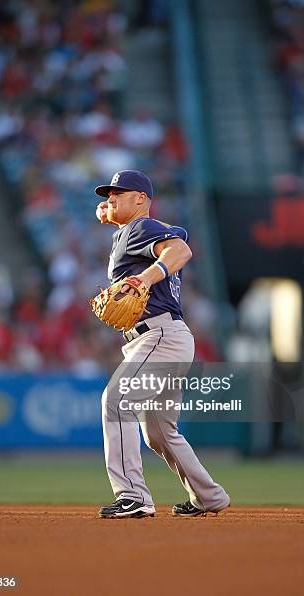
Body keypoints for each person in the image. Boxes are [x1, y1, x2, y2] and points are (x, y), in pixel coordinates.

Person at [94, 170, 230, 518]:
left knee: (116, 401)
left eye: (118, 192)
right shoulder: (130, 230)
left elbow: (180, 249)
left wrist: (143, 277)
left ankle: (133, 496)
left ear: (141, 198)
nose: (110, 198)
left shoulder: (141, 227)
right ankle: (209, 497)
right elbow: (167, 235)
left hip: (159, 338)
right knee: (158, 430)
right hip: (166, 338)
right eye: (107, 194)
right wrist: (110, 212)